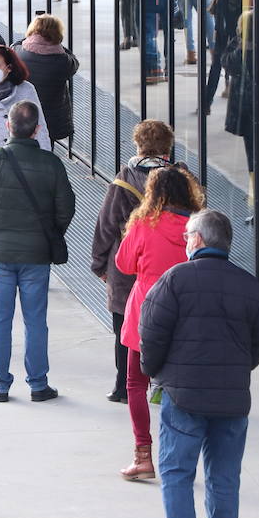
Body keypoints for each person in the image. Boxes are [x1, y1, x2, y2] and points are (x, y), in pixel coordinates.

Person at [140, 209, 259, 518]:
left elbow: (151, 333)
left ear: (198, 239)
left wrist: (156, 371)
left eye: (187, 235)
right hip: (231, 399)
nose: (185, 240)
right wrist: (239, 367)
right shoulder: (250, 286)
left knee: (177, 474)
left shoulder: (174, 279)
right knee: (225, 478)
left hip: (183, 397)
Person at [0, 101, 76, 402]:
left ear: (8, 127)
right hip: (36, 255)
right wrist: (50, 233)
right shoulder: (51, 164)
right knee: (35, 320)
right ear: (37, 130)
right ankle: (38, 383)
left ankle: (0, 384)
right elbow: (66, 208)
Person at [114, 166, 205, 481]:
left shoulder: (142, 223)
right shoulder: (195, 227)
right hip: (184, 316)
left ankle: (143, 455)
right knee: (180, 388)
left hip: (144, 313)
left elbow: (124, 264)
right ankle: (178, 455)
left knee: (136, 384)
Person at [89, 119, 176, 403]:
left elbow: (106, 224)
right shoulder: (180, 179)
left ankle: (123, 387)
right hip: (168, 265)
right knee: (170, 326)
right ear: (167, 147)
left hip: (127, 266)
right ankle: (166, 386)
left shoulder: (124, 179)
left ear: (138, 145)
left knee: (125, 329)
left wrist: (99, 263)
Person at [0, 45, 50, 151]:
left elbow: (39, 125)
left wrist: (45, 154)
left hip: (19, 157)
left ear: (9, 68)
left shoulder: (26, 89)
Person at [15, 14, 78, 143]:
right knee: (47, 149)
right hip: (51, 118)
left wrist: (28, 38)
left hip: (23, 112)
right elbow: (74, 63)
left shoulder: (18, 52)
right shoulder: (63, 61)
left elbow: (14, 44)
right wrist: (57, 45)